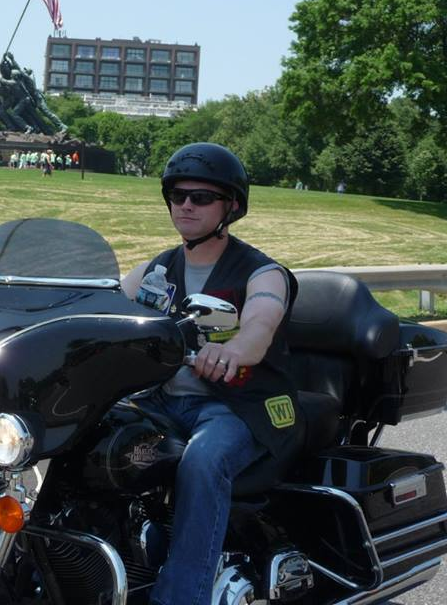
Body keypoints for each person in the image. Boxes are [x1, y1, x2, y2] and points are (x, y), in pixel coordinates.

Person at [121, 142, 303, 605]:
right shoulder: (157, 268)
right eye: (177, 195)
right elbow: (101, 305)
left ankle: (182, 596)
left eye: (201, 197)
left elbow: (261, 321)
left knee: (202, 461)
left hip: (237, 406)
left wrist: (236, 349)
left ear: (231, 206)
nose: (186, 204)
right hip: (161, 400)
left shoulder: (261, 272)